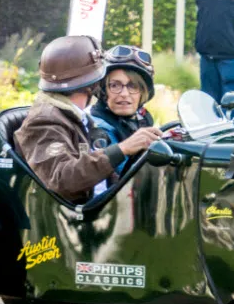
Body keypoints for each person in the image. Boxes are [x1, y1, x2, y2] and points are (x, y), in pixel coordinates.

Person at [13, 35, 162, 204]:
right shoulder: (45, 121)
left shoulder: (74, 116)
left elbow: (102, 176)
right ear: (94, 83)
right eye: (113, 84)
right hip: (76, 222)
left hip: (102, 208)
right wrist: (122, 149)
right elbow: (62, 180)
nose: (124, 93)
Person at [89, 44, 157, 175]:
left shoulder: (141, 119)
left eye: (133, 86)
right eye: (115, 85)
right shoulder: (97, 128)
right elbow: (120, 178)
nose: (125, 94)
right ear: (103, 90)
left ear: (143, 92)